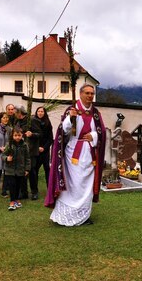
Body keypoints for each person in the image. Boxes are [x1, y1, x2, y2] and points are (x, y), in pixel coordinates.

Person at [45, 84, 106, 226]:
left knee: (86, 185)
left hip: (89, 155)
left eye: (92, 93)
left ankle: (84, 216)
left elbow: (101, 132)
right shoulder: (72, 110)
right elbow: (63, 131)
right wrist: (69, 118)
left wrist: (94, 136)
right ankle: (65, 216)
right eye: (87, 93)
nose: (90, 96)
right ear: (80, 94)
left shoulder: (95, 113)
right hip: (72, 153)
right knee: (73, 185)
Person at [14, 105, 41, 200]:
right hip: (21, 150)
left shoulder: (31, 121)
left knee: (32, 171)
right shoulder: (17, 122)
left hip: (32, 150)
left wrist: (32, 134)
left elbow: (39, 133)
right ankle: (24, 192)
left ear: (19, 113)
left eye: (15, 112)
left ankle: (34, 192)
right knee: (22, 171)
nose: (14, 114)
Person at [2, 126, 31, 211]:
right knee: (12, 186)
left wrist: (27, 169)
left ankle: (17, 199)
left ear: (22, 135)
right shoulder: (9, 145)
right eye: (15, 135)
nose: (17, 137)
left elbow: (27, 158)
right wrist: (7, 158)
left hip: (20, 170)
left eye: (19, 135)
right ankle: (12, 201)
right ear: (12, 136)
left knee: (18, 185)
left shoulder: (25, 145)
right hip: (10, 170)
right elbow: (3, 155)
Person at [34, 106, 53, 186]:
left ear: (44, 113)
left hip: (45, 150)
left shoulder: (48, 123)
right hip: (35, 149)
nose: (40, 113)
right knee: (35, 169)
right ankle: (35, 190)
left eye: (42, 111)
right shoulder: (33, 122)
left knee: (47, 169)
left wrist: (44, 148)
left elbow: (50, 138)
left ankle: (49, 188)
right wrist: (37, 147)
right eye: (38, 111)